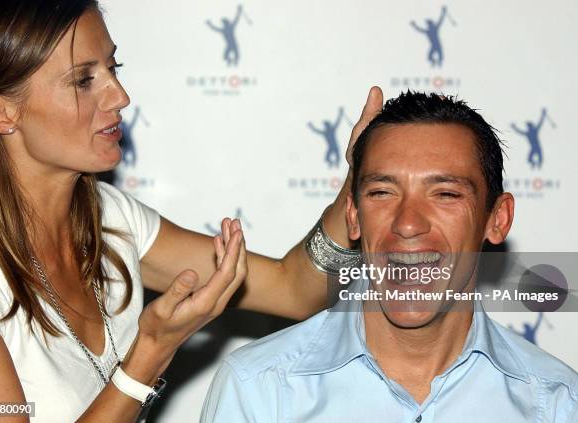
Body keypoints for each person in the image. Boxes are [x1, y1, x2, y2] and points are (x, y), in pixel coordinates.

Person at [0, 1, 382, 422]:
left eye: (114, 68)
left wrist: (360, 179)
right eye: (83, 80)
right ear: (1, 112)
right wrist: (151, 350)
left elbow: (296, 291)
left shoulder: (111, 220)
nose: (120, 96)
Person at [200, 92, 578, 422]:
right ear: (352, 216)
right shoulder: (259, 388)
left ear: (497, 219)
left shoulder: (558, 400)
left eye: (445, 194)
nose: (408, 224)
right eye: (382, 192)